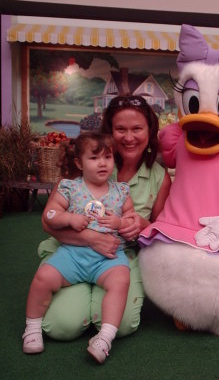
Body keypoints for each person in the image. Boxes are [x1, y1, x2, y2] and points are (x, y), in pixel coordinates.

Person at [38, 95, 172, 341]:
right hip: (73, 252)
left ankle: (94, 307)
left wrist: (145, 226)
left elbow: (161, 229)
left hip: (119, 259)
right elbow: (48, 220)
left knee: (120, 326)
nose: (129, 137)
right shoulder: (90, 161)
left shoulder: (159, 177)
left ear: (150, 131)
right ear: (109, 131)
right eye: (120, 129)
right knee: (61, 327)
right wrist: (90, 239)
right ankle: (80, 303)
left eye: (137, 129)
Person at [23, 132, 135, 363]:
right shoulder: (69, 188)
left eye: (108, 157)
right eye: (94, 158)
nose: (102, 163)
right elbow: (51, 215)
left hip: (108, 258)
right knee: (43, 277)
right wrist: (68, 219)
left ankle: (105, 337)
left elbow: (132, 220)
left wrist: (120, 222)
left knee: (121, 280)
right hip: (73, 255)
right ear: (79, 163)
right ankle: (32, 329)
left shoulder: (121, 191)